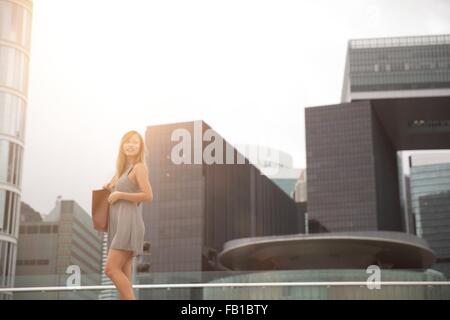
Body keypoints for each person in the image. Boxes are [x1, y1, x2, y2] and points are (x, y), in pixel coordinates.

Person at [102, 130, 153, 300]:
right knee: (124, 275)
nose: (130, 145)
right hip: (118, 224)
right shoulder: (122, 171)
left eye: (135, 142)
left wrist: (120, 195)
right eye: (127, 141)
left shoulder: (139, 168)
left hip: (128, 223)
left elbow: (148, 196)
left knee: (110, 269)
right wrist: (110, 188)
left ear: (140, 147)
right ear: (122, 145)